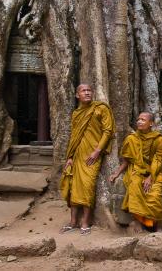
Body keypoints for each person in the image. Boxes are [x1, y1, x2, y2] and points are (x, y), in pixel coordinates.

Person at [59, 84, 116, 235]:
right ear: (77, 95)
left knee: (88, 187)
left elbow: (108, 130)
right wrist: (70, 157)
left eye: (89, 90)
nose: (87, 93)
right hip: (77, 155)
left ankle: (85, 222)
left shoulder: (101, 108)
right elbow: (74, 137)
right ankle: (72, 222)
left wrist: (98, 151)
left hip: (92, 156)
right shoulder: (76, 113)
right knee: (72, 188)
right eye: (83, 91)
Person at [110, 112, 162, 232]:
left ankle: (158, 227)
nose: (139, 121)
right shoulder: (131, 138)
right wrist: (117, 173)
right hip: (136, 170)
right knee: (134, 187)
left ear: (151, 123)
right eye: (138, 119)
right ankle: (138, 222)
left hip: (154, 172)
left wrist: (150, 177)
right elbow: (127, 160)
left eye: (143, 120)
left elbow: (158, 160)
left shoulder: (159, 139)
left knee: (155, 194)